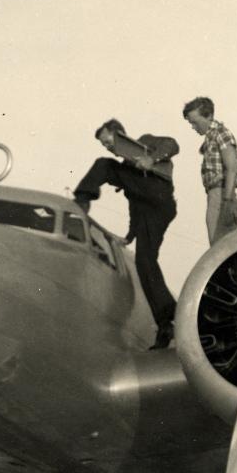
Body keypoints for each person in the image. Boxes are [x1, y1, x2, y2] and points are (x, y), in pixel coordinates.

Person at [73, 118, 179, 349]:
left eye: (108, 141)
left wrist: (151, 159)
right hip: (151, 212)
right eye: (104, 144)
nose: (108, 147)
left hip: (159, 198)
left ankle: (81, 201)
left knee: (103, 164)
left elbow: (172, 144)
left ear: (119, 135)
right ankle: (167, 322)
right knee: (145, 261)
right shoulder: (131, 171)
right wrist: (131, 235)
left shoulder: (145, 142)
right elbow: (135, 204)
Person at [182, 97, 237, 245]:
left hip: (222, 195)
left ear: (209, 116)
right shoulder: (210, 138)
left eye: (195, 122)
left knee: (220, 249)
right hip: (216, 196)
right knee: (218, 247)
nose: (193, 126)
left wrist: (227, 202)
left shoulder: (221, 133)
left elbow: (231, 168)